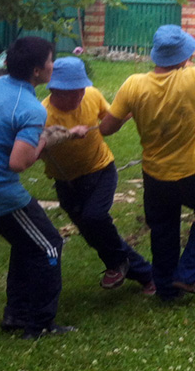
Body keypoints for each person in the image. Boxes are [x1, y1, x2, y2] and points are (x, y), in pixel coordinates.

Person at [0, 37, 83, 339]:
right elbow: (19, 162)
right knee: (50, 245)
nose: (54, 65)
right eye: (51, 61)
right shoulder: (30, 108)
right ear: (37, 70)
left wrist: (47, 136)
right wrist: (45, 137)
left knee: (28, 244)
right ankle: (39, 324)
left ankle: (16, 314)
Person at [100, 25, 195, 302]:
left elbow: (107, 128)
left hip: (156, 177)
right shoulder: (194, 76)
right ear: (184, 56)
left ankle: (167, 290)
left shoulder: (133, 85)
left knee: (163, 230)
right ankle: (187, 275)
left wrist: (129, 108)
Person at [41, 57, 154, 295]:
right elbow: (33, 151)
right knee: (91, 232)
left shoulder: (91, 95)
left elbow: (110, 119)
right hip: (67, 183)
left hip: (101, 170)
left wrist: (129, 110)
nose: (79, 96)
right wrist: (66, 135)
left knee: (94, 218)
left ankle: (127, 267)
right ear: (54, 89)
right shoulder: (42, 114)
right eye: (72, 93)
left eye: (81, 89)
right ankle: (142, 274)